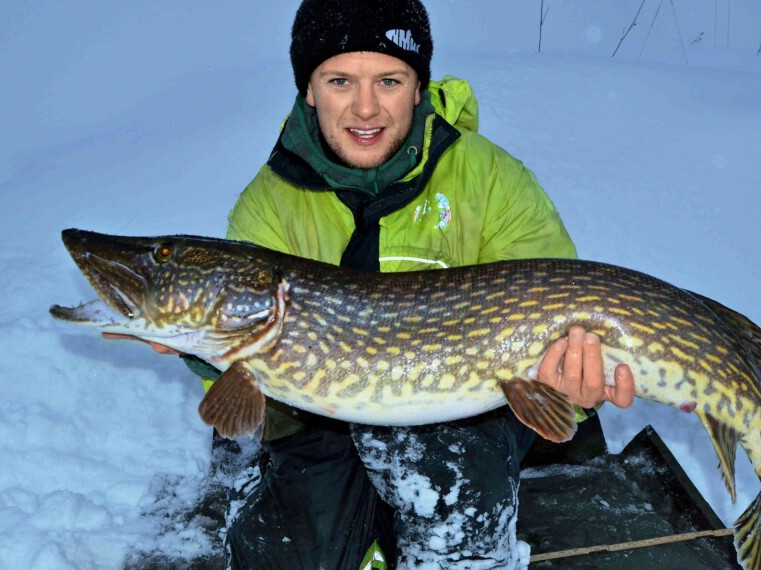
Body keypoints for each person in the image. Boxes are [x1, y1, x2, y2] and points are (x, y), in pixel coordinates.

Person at [108, 0, 634, 567]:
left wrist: (571, 388)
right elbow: (253, 370)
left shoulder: (490, 179)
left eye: (388, 79)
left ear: (418, 87)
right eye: (339, 80)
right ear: (309, 89)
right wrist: (206, 354)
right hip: (321, 418)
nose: (365, 107)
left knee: (448, 480)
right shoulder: (268, 205)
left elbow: (563, 312)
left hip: (471, 415)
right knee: (295, 555)